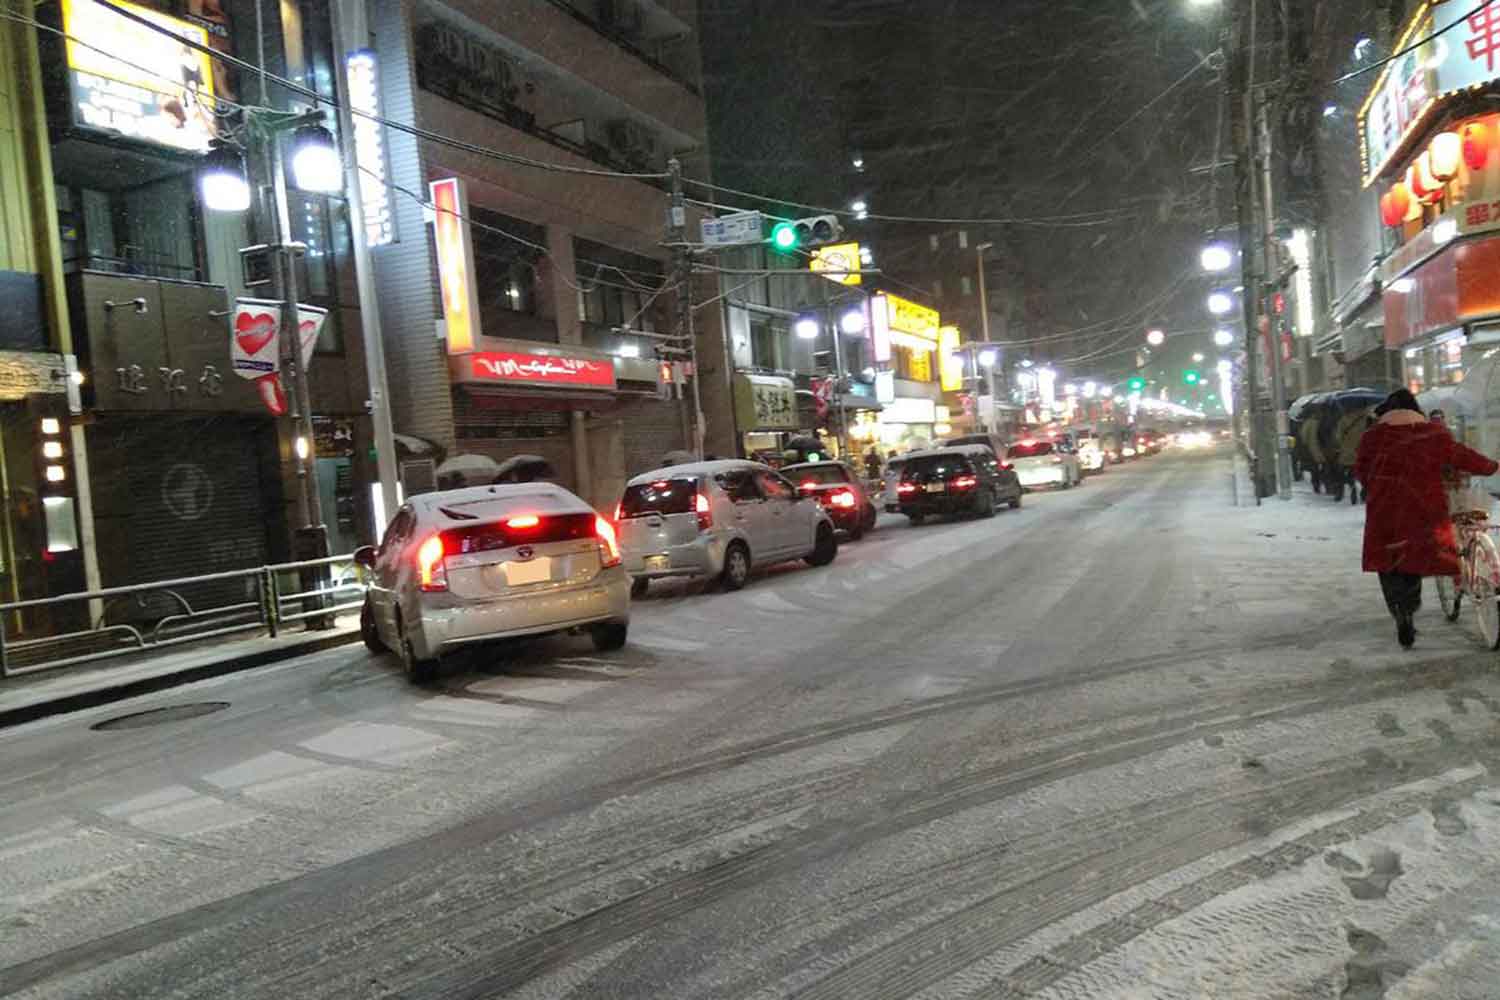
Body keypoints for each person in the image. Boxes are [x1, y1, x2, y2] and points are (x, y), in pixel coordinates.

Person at [1355, 389, 1499, 649]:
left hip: (1384, 509)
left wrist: (1378, 485)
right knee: (1413, 558)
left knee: (1389, 563)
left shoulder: (1372, 437)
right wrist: (1491, 467)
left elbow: (1361, 472)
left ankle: (1400, 612)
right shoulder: (1433, 434)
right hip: (1423, 506)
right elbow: (1462, 456)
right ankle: (1410, 605)